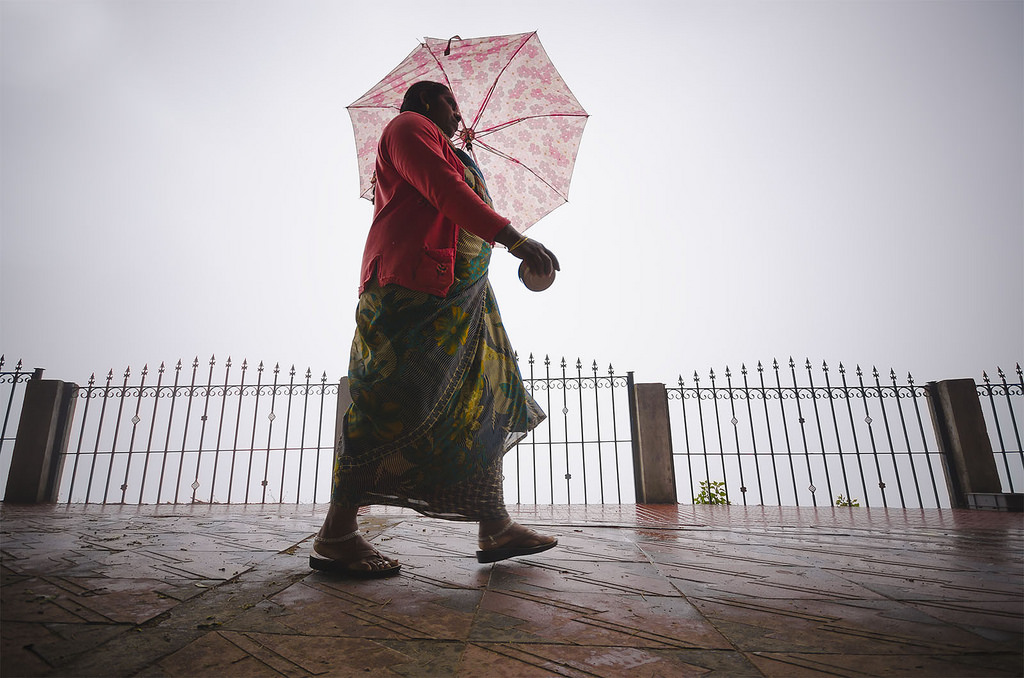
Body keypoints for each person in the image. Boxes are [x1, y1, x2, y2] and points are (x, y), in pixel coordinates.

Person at [310, 81, 560, 577]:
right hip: (408, 289)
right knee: (388, 402)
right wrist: (514, 239)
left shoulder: (453, 151)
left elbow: (460, 214)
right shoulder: (407, 128)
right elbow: (443, 192)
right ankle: (337, 533)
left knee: (477, 400)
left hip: (459, 299)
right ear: (426, 102)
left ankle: (495, 524)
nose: (457, 113)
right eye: (451, 103)